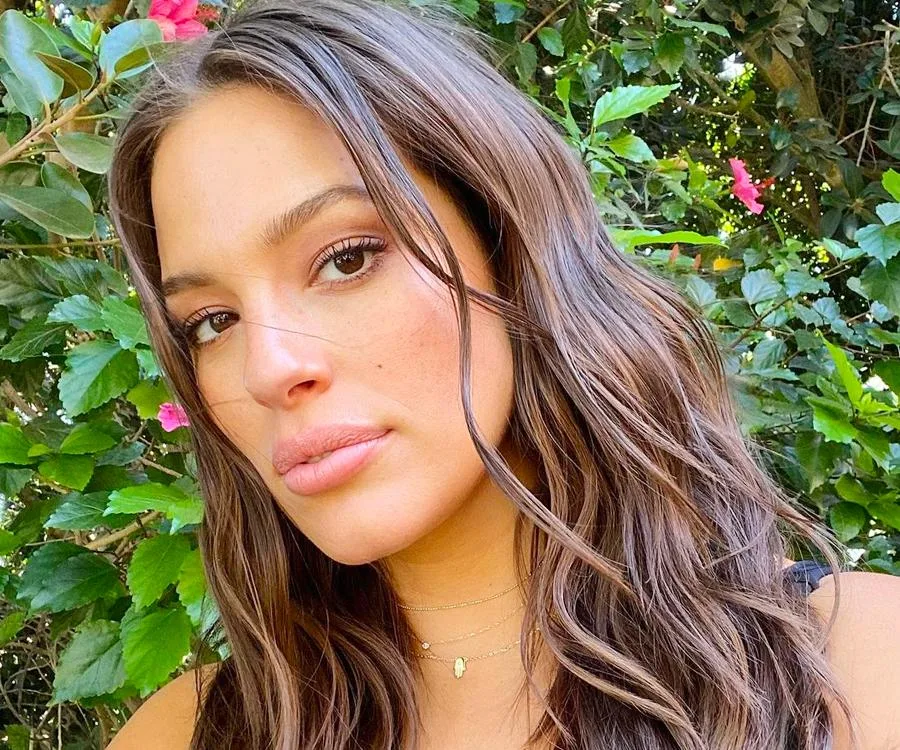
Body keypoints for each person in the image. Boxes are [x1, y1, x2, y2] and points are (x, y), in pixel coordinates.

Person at [103, 0, 900, 748]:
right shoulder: (178, 734)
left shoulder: (859, 672)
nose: (269, 369)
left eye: (346, 260)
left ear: (511, 248)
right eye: (212, 322)